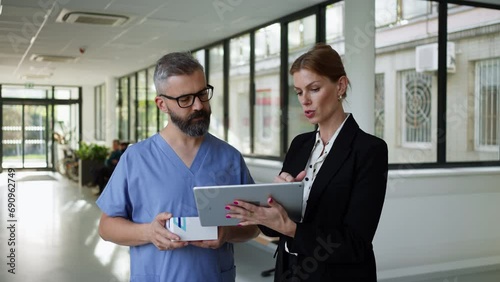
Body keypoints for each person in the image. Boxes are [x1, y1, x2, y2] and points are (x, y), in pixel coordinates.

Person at [227, 43, 388, 281]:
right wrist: (270, 207)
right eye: (299, 92)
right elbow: (274, 229)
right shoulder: (300, 145)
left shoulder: (369, 151)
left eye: (314, 89)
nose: (305, 100)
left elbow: (355, 243)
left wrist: (291, 227)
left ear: (340, 86)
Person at [96, 52, 259, 281]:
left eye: (202, 94)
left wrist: (227, 232)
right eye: (185, 99)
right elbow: (106, 227)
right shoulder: (136, 158)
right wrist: (148, 232)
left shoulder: (229, 158)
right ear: (162, 104)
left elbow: (253, 225)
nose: (199, 106)